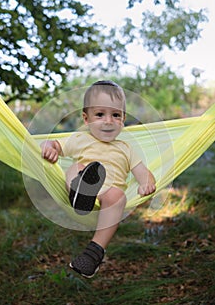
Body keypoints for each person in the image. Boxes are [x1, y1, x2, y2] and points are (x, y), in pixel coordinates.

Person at [41, 80, 156, 278]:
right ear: (86, 119)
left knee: (118, 196)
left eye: (116, 115)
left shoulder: (126, 148)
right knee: (78, 167)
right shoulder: (80, 139)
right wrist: (49, 147)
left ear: (123, 119)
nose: (108, 121)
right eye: (100, 114)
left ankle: (94, 253)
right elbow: (54, 144)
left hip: (107, 195)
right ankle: (80, 191)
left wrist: (147, 183)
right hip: (81, 185)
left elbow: (143, 172)